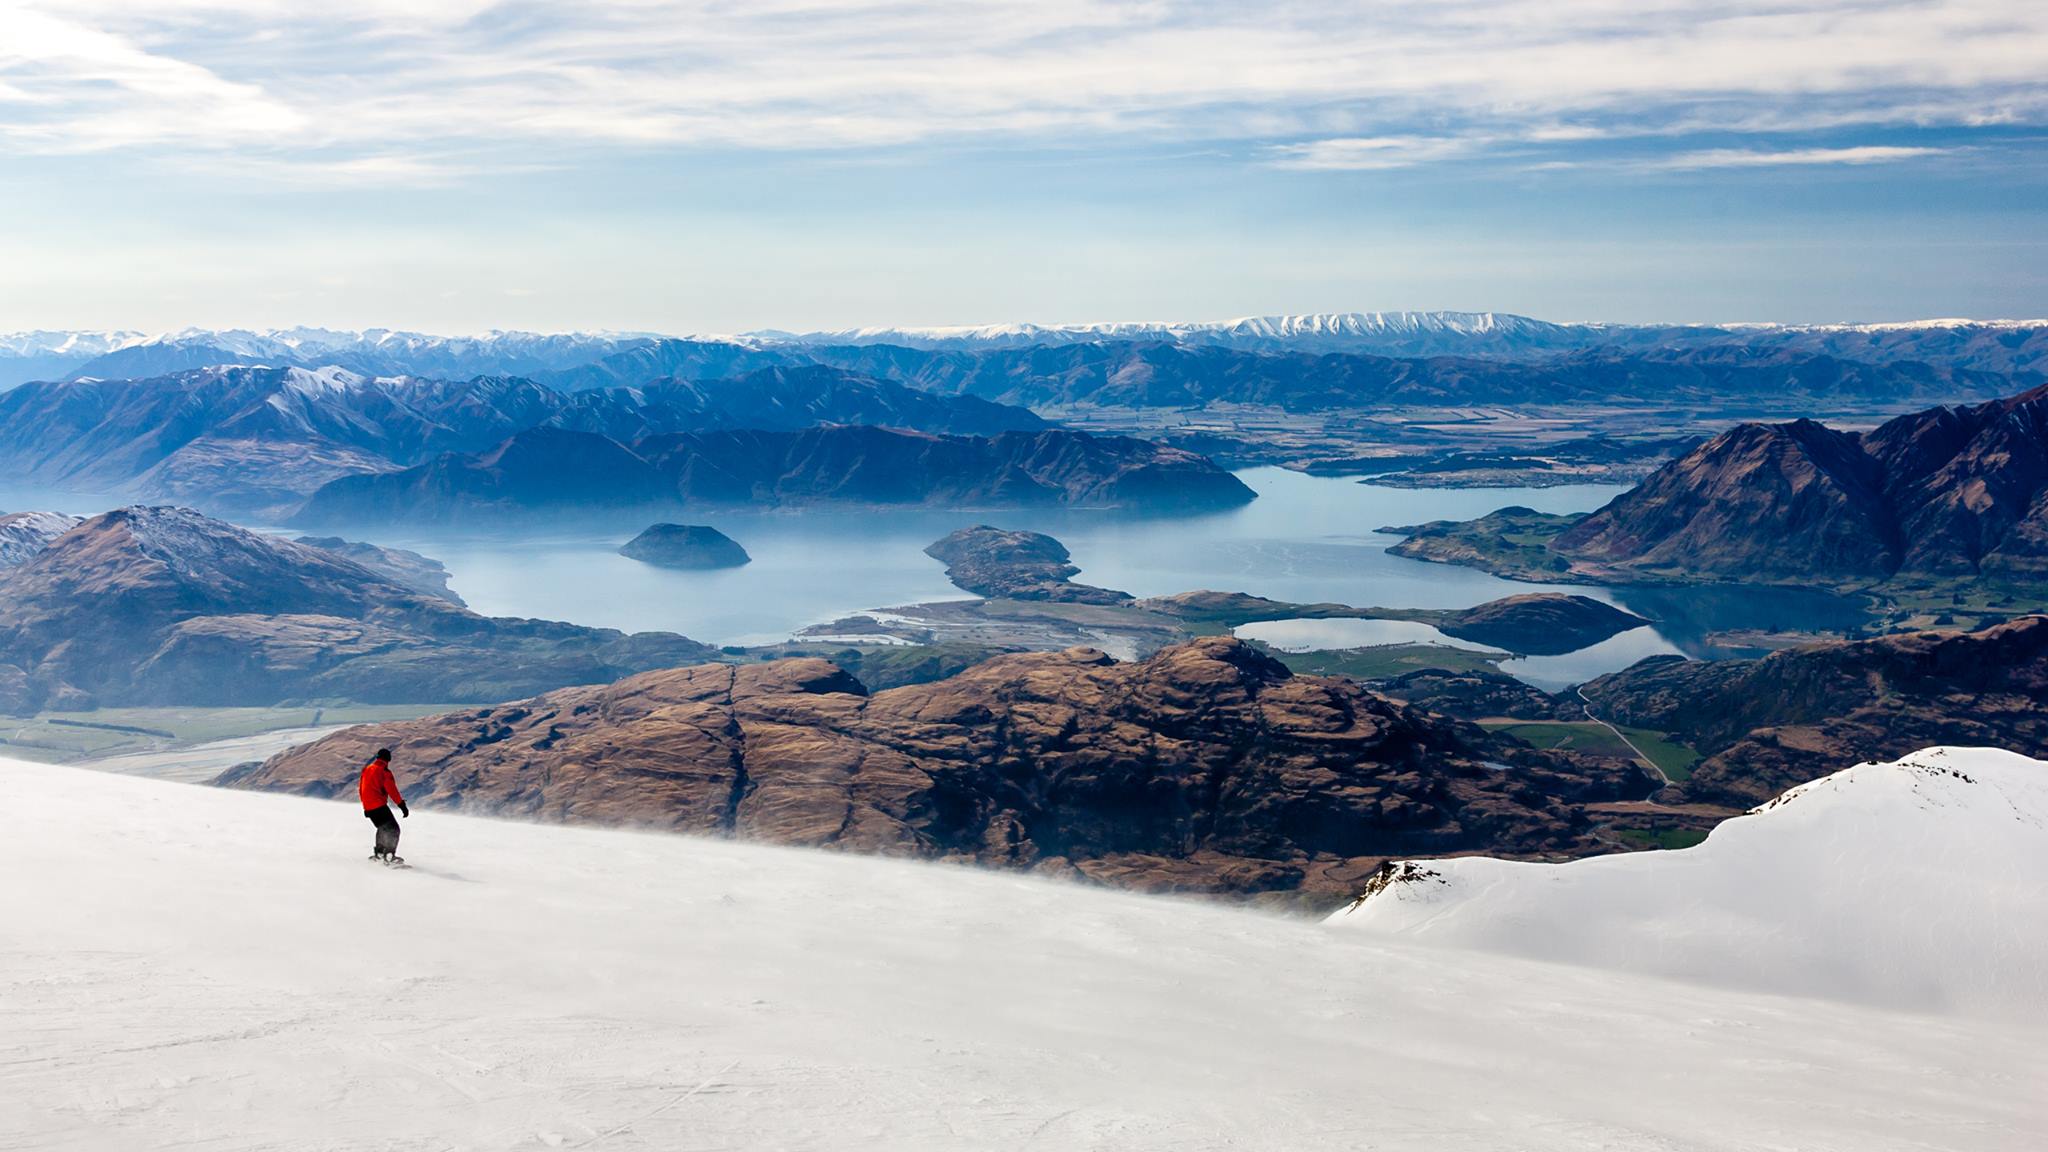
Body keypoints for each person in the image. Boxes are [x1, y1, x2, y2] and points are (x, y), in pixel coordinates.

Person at [359, 748, 409, 865]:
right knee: (393, 829)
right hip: (378, 805)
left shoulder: (367, 769)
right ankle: (389, 856)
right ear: (388, 758)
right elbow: (392, 790)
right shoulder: (384, 771)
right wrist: (402, 805)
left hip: (369, 806)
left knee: (382, 828)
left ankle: (379, 854)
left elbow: (362, 788)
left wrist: (365, 806)